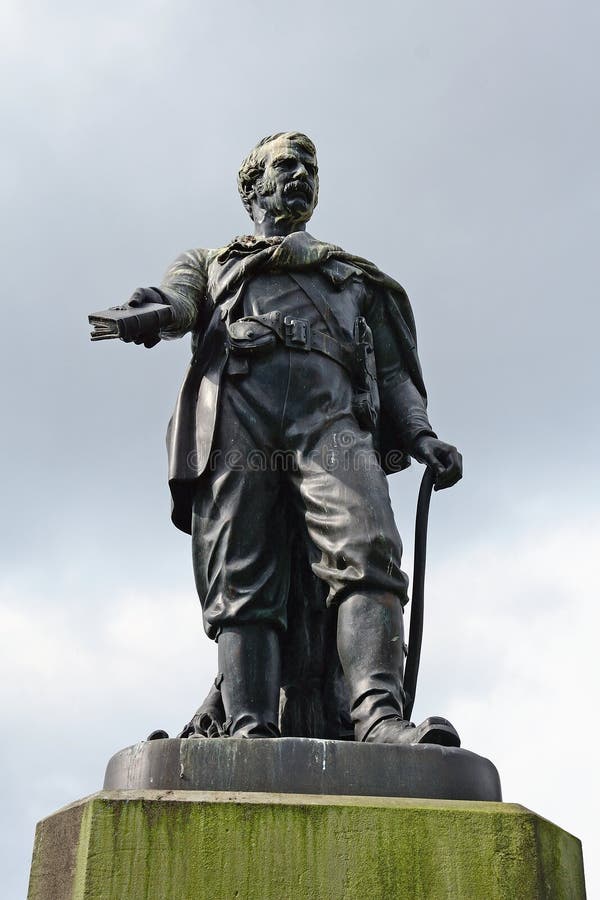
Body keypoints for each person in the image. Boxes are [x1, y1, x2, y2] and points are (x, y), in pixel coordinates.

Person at [123, 132, 462, 744]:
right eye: (286, 164)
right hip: (239, 414)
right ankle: (248, 725)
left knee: (369, 550)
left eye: (310, 166)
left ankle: (378, 718)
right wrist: (152, 310)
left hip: (329, 421)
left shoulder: (350, 276)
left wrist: (421, 434)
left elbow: (391, 373)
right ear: (254, 187)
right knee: (241, 568)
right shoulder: (211, 261)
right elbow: (177, 301)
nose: (301, 174)